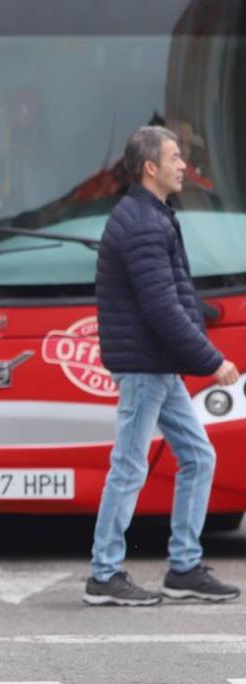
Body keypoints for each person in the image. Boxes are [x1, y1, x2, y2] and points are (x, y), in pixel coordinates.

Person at [84, 125, 241, 607]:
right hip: (146, 366)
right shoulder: (142, 223)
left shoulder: (152, 216)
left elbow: (170, 297)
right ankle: (104, 574)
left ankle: (185, 566)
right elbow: (161, 307)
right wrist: (212, 361)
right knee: (129, 467)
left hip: (157, 364)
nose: (182, 166)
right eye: (175, 157)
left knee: (198, 456)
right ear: (150, 167)